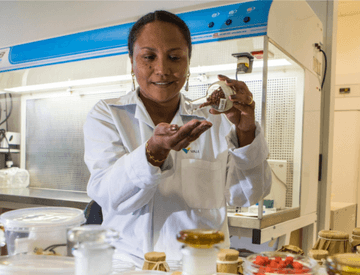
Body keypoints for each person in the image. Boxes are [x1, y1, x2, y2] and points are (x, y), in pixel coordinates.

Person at [83, 10, 271, 265]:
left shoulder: (214, 117)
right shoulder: (108, 114)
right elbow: (107, 195)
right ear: (132, 61)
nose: (162, 69)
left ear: (187, 63)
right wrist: (153, 153)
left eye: (174, 57)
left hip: (202, 262)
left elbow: (246, 196)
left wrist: (246, 133)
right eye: (149, 57)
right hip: (131, 265)